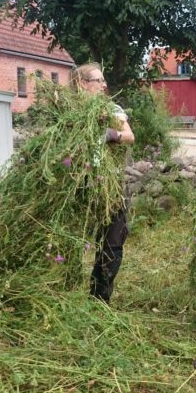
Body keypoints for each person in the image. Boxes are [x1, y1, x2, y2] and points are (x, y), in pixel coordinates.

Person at [69, 63, 135, 303]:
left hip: (109, 184)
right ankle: (61, 286)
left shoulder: (111, 109)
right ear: (83, 84)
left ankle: (99, 298)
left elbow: (129, 136)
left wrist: (111, 134)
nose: (105, 85)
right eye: (99, 81)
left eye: (104, 80)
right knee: (66, 238)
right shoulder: (70, 111)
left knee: (112, 241)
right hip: (77, 185)